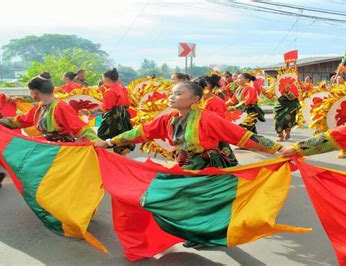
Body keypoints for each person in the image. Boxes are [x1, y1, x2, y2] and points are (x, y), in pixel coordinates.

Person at [95, 81, 283, 248]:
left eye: (179, 93)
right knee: (168, 200)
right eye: (172, 93)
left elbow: (241, 136)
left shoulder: (207, 118)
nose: (172, 97)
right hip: (184, 167)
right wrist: (110, 142)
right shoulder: (168, 118)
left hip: (208, 168)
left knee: (202, 205)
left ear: (194, 99)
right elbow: (141, 132)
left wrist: (277, 149)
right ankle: (191, 232)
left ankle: (207, 234)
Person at [195, 76, 238, 166]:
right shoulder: (202, 99)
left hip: (214, 134)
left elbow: (219, 122)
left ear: (206, 87)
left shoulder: (216, 102)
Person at [95, 68, 134, 155]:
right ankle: (121, 158)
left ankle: (104, 159)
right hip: (124, 116)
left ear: (106, 79)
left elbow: (106, 108)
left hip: (114, 117)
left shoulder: (110, 92)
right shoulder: (122, 88)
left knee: (101, 136)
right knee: (121, 137)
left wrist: (90, 113)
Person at [274, 75, 300, 141]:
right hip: (280, 106)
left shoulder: (293, 86)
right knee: (277, 120)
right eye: (278, 78)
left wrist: (287, 91)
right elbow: (271, 95)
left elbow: (294, 97)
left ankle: (285, 134)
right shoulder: (276, 86)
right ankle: (281, 135)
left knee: (286, 120)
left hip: (289, 106)